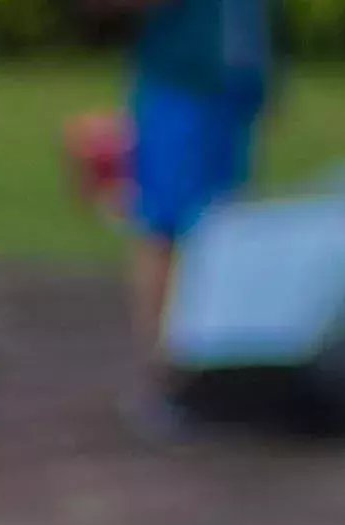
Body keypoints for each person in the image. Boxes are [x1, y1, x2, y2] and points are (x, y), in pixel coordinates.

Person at [109, 0, 268, 374]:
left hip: (236, 85)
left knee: (229, 225)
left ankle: (216, 354)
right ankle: (162, 365)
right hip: (179, 82)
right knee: (166, 224)